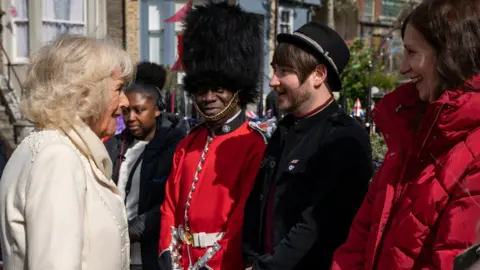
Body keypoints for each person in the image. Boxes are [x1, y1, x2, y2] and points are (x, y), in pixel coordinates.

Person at [331, 1, 480, 269]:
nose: (402, 67)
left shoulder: (474, 155)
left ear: (449, 55)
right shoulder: (408, 133)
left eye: (411, 52)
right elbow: (360, 236)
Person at [242, 21, 373, 270]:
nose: (272, 81)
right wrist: (250, 258)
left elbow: (317, 225)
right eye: (274, 70)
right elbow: (259, 203)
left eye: (283, 71)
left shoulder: (344, 139)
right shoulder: (284, 130)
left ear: (318, 75)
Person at [0, 35, 134, 269]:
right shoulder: (57, 156)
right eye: (119, 89)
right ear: (84, 93)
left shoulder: (59, 149)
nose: (125, 102)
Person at [157, 2, 268, 270]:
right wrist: (167, 253)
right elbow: (169, 207)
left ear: (237, 89)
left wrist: (213, 263)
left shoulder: (253, 145)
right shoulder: (188, 144)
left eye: (218, 88)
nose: (208, 98)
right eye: (201, 89)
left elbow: (241, 219)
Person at [105, 62, 186, 270]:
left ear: (157, 110)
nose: (130, 118)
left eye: (139, 110)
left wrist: (126, 231)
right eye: (126, 111)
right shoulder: (114, 147)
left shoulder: (174, 149)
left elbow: (170, 204)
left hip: (151, 258)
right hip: (114, 257)